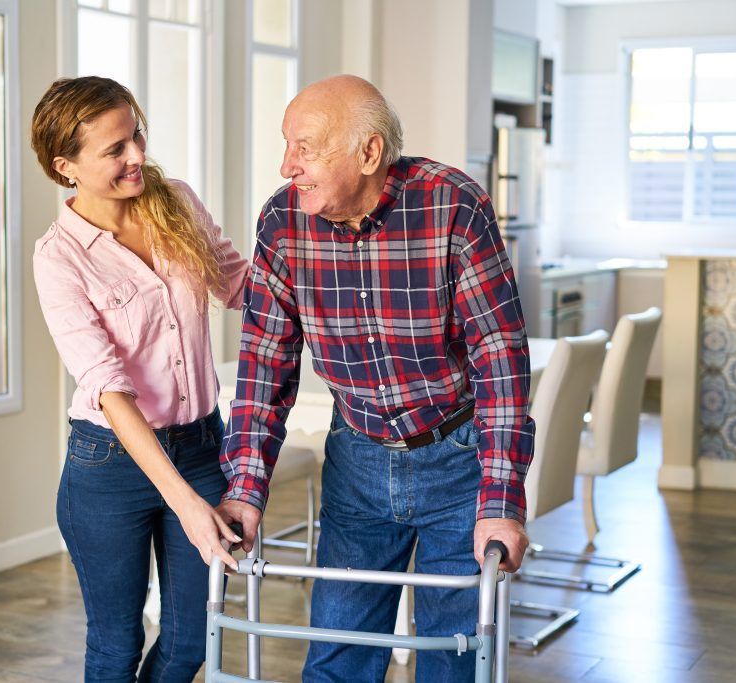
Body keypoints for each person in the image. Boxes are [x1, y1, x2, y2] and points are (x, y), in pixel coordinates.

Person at [216, 75, 535, 682]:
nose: (287, 166)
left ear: (368, 153)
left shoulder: (453, 206)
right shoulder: (283, 223)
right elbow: (265, 363)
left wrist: (500, 503)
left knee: (452, 658)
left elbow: (499, 359)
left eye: (304, 147)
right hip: (357, 460)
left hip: (457, 459)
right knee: (337, 656)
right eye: (287, 146)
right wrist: (245, 487)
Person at [30, 76, 248, 682]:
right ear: (65, 166)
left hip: (202, 447)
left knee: (190, 640)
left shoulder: (173, 199)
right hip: (109, 467)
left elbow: (238, 285)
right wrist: (187, 505)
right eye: (115, 150)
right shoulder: (59, 256)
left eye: (137, 137)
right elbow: (108, 386)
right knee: (115, 645)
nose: (137, 158)